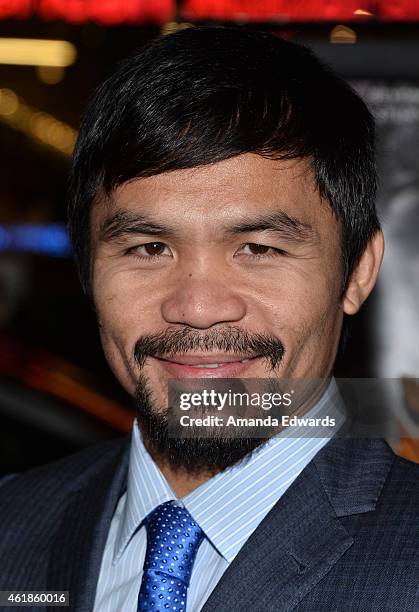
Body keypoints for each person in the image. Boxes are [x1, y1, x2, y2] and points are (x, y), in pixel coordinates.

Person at [0, 25, 418, 612]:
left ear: (357, 272)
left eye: (259, 249)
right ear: (88, 269)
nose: (197, 308)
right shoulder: (11, 529)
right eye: (149, 248)